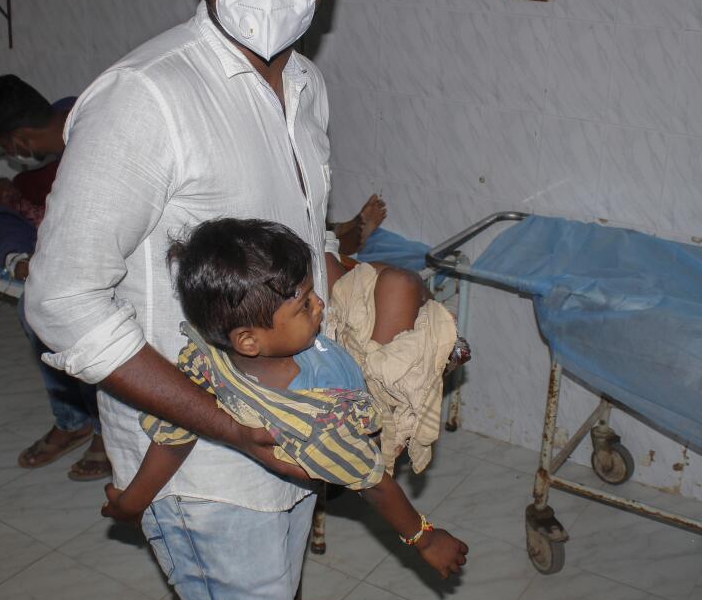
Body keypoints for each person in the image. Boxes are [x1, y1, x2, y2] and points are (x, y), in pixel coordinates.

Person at [23, 0, 370, 600]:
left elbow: (304, 245)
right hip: (198, 454)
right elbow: (62, 300)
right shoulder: (148, 98)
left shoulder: (306, 88)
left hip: (289, 426)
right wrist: (231, 427)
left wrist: (386, 330)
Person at [103, 218, 468, 579]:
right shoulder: (317, 424)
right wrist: (424, 539)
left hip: (331, 350)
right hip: (362, 399)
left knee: (384, 277)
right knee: (403, 283)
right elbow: (376, 485)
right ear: (248, 340)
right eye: (305, 305)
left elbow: (174, 431)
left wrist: (132, 500)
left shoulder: (207, 357)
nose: (320, 304)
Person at [0, 76, 110, 481]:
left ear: (20, 141)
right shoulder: (34, 174)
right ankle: (73, 420)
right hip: (80, 258)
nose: (7, 156)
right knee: (34, 309)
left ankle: (104, 429)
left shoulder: (95, 135)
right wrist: (18, 259)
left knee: (66, 315)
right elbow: (10, 218)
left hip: (128, 252)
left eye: (3, 148)